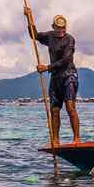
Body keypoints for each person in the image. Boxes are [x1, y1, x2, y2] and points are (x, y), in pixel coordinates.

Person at [24, 10, 80, 145]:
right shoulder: (50, 36)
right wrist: (29, 17)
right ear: (53, 27)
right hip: (55, 78)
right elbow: (34, 35)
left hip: (69, 76)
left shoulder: (69, 39)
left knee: (70, 107)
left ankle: (76, 138)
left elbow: (66, 59)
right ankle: (55, 140)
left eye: (63, 28)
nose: (61, 30)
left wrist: (47, 68)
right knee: (54, 110)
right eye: (58, 28)